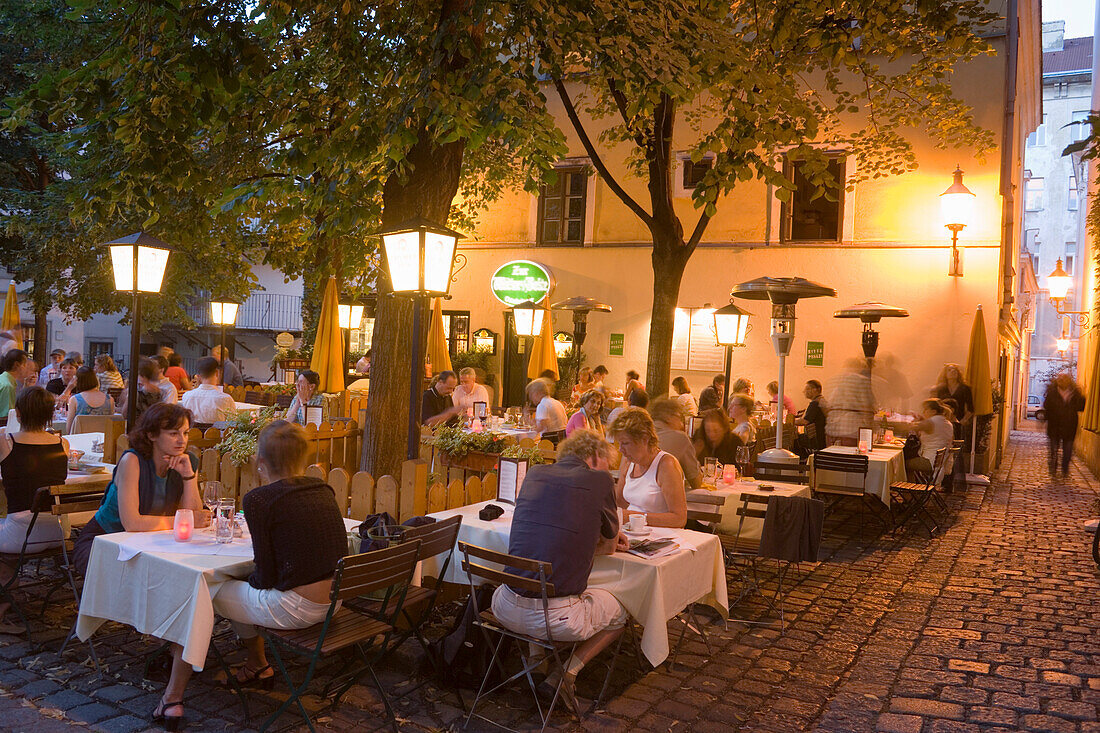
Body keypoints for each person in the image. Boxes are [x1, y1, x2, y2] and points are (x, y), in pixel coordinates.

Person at [201, 421, 348, 709]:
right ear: (302, 457)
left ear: (261, 462)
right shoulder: (323, 489)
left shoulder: (260, 500)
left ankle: (197, 658)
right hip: (335, 602)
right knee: (237, 585)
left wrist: (243, 579)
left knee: (211, 588)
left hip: (297, 608)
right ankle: (257, 662)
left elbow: (265, 577)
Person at [490, 429, 629, 710]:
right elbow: (610, 547)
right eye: (607, 463)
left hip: (504, 606)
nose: (609, 471)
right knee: (624, 609)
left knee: (537, 576)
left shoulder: (535, 473)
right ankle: (566, 673)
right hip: (560, 619)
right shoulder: (599, 480)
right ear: (594, 456)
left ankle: (535, 661)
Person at [72, 402, 207, 576]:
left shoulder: (186, 461)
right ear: (152, 435)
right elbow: (132, 523)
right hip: (105, 541)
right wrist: (183, 522)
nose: (182, 440)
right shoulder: (132, 461)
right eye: (174, 433)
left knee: (179, 570)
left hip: (151, 543)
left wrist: (188, 477)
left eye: (185, 433)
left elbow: (193, 517)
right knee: (154, 573)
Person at [0, 387, 70, 632]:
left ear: (17, 414)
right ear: (50, 415)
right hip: (59, 531)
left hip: (20, 534)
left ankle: (5, 589)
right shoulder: (63, 443)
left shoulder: (5, 442)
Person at [609, 407, 686, 528]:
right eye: (619, 443)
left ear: (644, 439)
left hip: (661, 536)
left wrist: (633, 516)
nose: (620, 449)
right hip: (632, 533)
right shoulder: (628, 461)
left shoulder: (666, 465)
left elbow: (679, 519)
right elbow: (619, 504)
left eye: (625, 443)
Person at [648, 398, 702, 492]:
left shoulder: (640, 433)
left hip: (632, 499)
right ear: (669, 417)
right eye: (679, 418)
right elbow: (696, 482)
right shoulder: (679, 438)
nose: (681, 424)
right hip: (661, 499)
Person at [1043, 373, 1086, 478]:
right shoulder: (1052, 393)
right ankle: (1053, 467)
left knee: (1068, 450)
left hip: (1069, 426)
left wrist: (1080, 397)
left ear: (1069, 381)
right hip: (1054, 425)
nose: (1061, 381)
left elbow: (1081, 407)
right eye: (1060, 379)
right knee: (1053, 449)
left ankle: (1064, 469)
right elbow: (1046, 405)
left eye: (1064, 379)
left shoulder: (1074, 393)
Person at [825, 359, 875, 446]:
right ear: (859, 367)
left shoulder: (832, 379)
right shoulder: (862, 380)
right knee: (850, 458)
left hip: (832, 429)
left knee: (832, 458)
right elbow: (866, 405)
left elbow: (827, 405)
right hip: (852, 428)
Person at [906, 399, 955, 477]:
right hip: (940, 463)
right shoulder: (947, 422)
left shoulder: (931, 422)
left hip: (929, 461)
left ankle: (907, 485)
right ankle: (914, 483)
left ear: (933, 411)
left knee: (903, 463)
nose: (923, 412)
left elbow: (910, 427)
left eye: (925, 409)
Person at [181, 357, 237, 424]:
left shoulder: (187, 396)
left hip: (191, 434)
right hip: (217, 434)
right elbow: (232, 424)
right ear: (217, 373)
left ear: (198, 376)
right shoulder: (226, 399)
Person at [65, 366, 114, 433]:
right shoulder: (110, 400)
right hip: (103, 440)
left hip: (80, 440)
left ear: (78, 381)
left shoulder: (75, 400)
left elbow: (69, 429)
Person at [794, 380, 827, 456]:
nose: (804, 391)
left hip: (817, 438)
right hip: (821, 436)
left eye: (807, 389)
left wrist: (790, 422)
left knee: (794, 441)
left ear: (814, 390)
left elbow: (805, 421)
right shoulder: (821, 400)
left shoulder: (815, 403)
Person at [0, 350, 31, 417]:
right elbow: (7, 417)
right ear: (17, 365)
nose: (27, 368)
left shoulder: (4, 379)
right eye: (25, 364)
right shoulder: (7, 386)